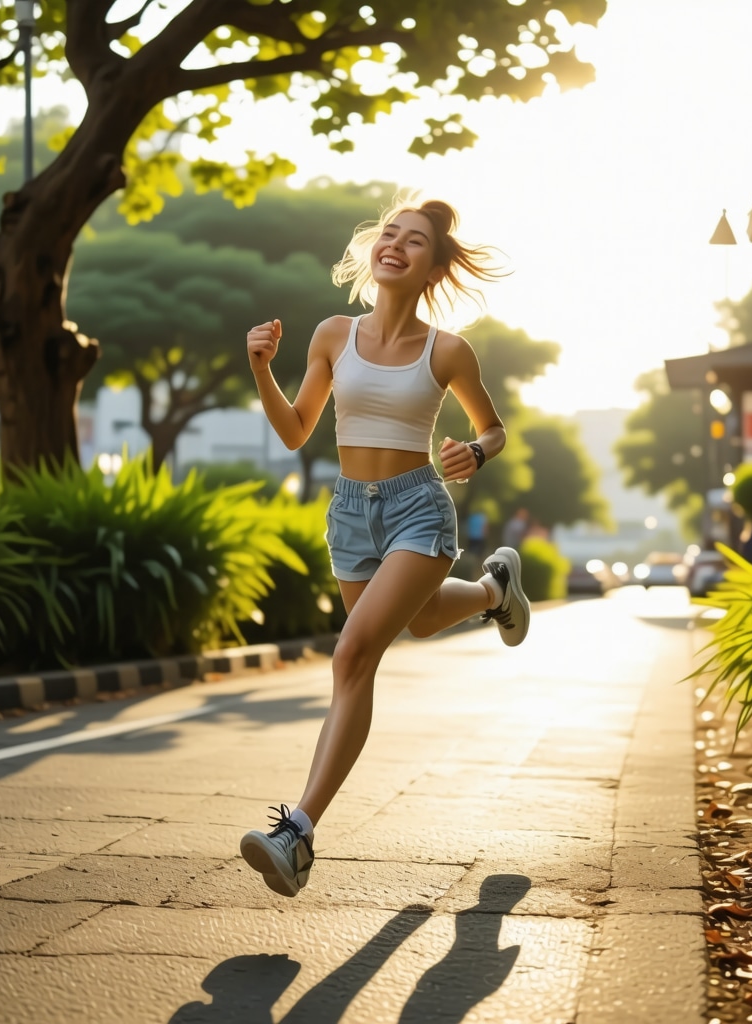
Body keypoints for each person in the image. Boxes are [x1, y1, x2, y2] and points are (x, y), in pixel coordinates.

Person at [239, 197, 531, 898]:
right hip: (349, 515)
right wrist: (261, 368)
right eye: (389, 233)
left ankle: (298, 832)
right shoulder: (333, 334)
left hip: (416, 511)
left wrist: (475, 453)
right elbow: (295, 429)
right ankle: (495, 591)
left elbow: (493, 428)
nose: (395, 244)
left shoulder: (447, 351)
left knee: (353, 654)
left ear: (432, 266)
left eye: (414, 240)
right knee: (424, 620)